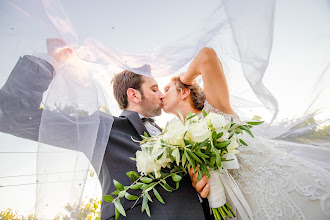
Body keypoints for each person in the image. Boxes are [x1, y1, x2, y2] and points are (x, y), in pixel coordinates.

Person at [0, 39, 214, 220]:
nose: (160, 95)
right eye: (154, 88)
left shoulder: (174, 133)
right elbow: (12, 115)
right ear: (134, 95)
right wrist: (51, 60)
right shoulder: (102, 127)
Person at [161, 47, 330, 219]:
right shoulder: (179, 141)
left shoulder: (216, 109)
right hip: (242, 208)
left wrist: (184, 79)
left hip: (285, 186)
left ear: (184, 92)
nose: (161, 96)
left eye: (167, 89)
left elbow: (206, 55)